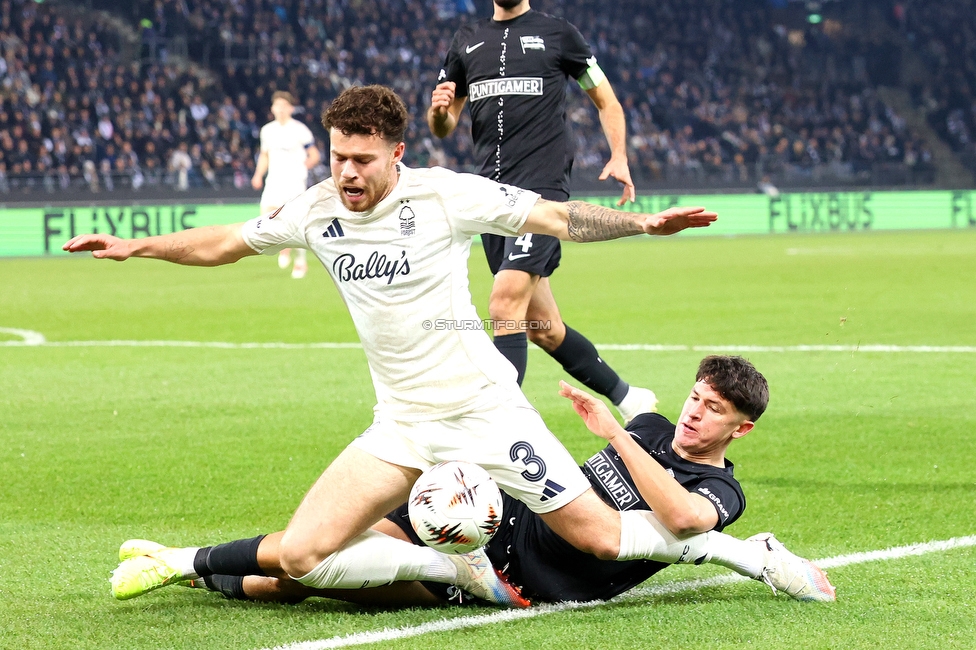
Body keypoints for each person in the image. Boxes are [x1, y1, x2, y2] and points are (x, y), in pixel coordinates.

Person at [65, 84, 759, 611]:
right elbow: (224, 242)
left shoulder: (445, 197)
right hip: (400, 424)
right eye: (338, 157)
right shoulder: (316, 208)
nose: (347, 173)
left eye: (362, 160)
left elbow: (554, 215)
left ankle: (741, 551)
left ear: (397, 153)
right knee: (303, 556)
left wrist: (642, 225)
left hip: (487, 412)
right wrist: (137, 247)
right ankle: (449, 566)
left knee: (600, 538)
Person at [112, 356, 836, 606]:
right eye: (696, 397)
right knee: (316, 549)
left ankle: (188, 569)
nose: (695, 413)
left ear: (740, 429)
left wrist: (615, 433)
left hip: (520, 581)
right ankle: (185, 565)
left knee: (303, 585)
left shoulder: (722, 492)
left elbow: (681, 520)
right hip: (485, 517)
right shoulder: (651, 425)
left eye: (714, 410)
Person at [429, 0, 653, 424]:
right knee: (543, 328)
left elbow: (606, 101)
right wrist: (440, 112)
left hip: (543, 192)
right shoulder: (466, 40)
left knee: (504, 303)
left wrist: (619, 155)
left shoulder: (559, 34)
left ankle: (500, 426)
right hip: (491, 200)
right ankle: (630, 398)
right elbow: (444, 125)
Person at [251, 90, 321, 279]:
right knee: (265, 216)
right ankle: (283, 246)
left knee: (296, 221)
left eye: (284, 106)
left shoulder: (300, 130)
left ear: (290, 108)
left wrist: (302, 167)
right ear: (272, 108)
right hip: (274, 180)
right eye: (277, 106)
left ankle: (300, 262)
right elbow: (264, 155)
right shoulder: (267, 130)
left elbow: (314, 155)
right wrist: (258, 175)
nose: (280, 109)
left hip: (294, 182)